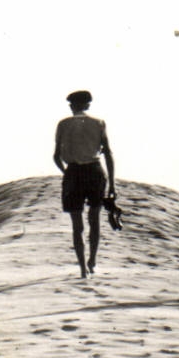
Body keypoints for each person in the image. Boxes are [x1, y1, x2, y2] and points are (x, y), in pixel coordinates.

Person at [54, 90, 115, 278]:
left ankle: (82, 268)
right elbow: (108, 154)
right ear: (87, 105)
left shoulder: (63, 124)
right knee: (94, 220)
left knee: (77, 225)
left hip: (73, 172)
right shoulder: (98, 123)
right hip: (95, 172)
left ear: (72, 106)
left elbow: (56, 156)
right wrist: (112, 183)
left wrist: (67, 172)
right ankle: (92, 262)